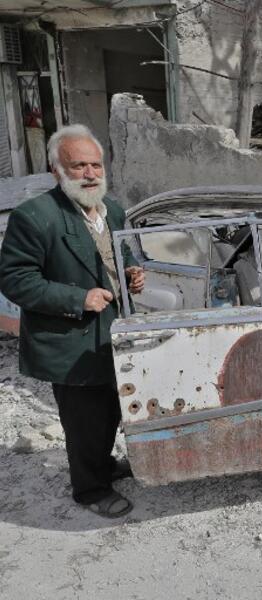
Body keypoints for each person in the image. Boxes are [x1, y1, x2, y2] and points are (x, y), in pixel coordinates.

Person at [0, 124, 144, 518]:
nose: (90, 173)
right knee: (84, 419)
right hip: (69, 339)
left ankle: (103, 466)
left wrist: (132, 272)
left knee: (114, 406)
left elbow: (122, 254)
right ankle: (90, 489)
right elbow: (15, 279)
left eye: (95, 164)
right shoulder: (35, 216)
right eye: (78, 165)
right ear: (56, 171)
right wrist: (78, 298)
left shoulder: (112, 209)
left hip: (113, 332)